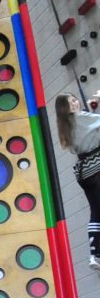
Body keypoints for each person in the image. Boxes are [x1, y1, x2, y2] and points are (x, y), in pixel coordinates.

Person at [54, 90, 100, 271]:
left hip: (84, 172)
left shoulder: (64, 126)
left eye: (74, 100)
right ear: (66, 108)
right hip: (97, 167)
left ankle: (95, 253)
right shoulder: (79, 117)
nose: (75, 103)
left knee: (96, 212)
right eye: (71, 102)